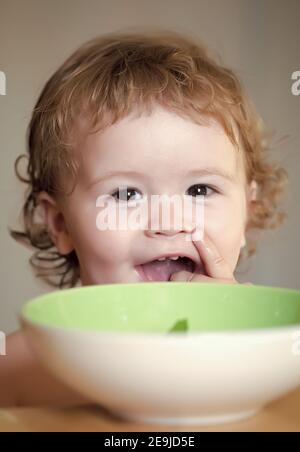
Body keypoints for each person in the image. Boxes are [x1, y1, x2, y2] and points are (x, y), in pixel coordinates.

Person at [0, 28, 287, 407]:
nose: (169, 222)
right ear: (60, 225)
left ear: (247, 213)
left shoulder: (276, 357)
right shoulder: (22, 366)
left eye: (200, 190)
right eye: (126, 194)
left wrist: (249, 336)